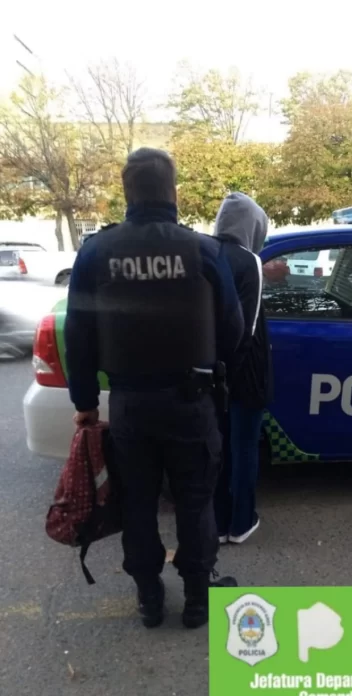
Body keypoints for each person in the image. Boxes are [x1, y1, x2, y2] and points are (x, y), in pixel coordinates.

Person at [64, 148, 244, 629]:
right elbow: (233, 329)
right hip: (192, 401)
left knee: (137, 502)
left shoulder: (96, 252)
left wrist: (84, 403)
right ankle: (198, 598)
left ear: (127, 192)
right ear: (173, 191)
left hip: (130, 406)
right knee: (195, 499)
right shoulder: (203, 250)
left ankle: (149, 596)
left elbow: (78, 335)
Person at [212, 192, 273, 544]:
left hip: (210, 374)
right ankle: (241, 523)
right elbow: (247, 328)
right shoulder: (249, 261)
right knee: (246, 447)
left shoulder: (205, 253)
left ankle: (219, 524)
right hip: (244, 373)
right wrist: (234, 376)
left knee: (219, 451)